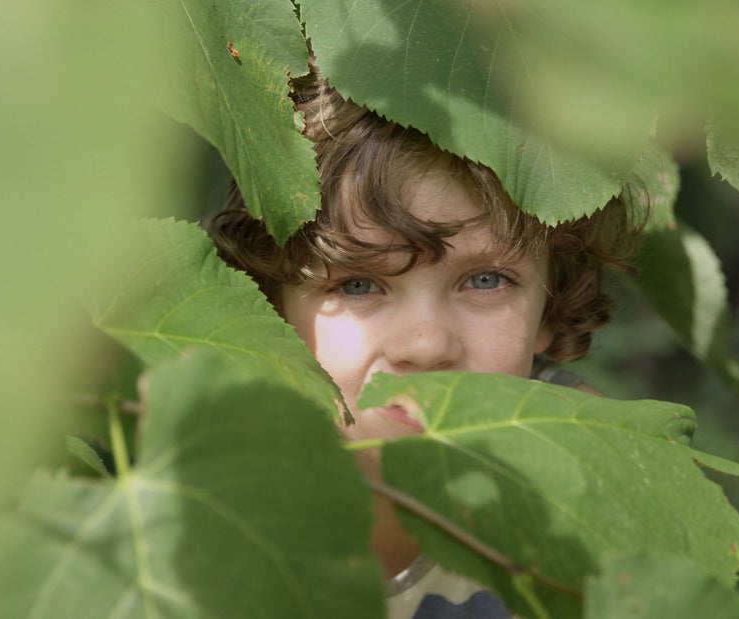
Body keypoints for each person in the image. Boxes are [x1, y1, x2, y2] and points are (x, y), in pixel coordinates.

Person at [204, 61, 642, 618]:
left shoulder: (591, 474)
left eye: (486, 281)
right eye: (359, 284)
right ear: (271, 308)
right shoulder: (221, 497)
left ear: (551, 306)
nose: (428, 346)